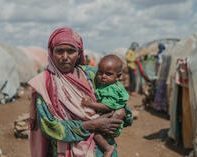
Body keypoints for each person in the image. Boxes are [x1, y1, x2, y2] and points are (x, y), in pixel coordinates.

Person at [28, 27, 132, 157]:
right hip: (66, 151)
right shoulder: (45, 84)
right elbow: (49, 126)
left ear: (78, 53)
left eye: (71, 51)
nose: (65, 57)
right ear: (51, 52)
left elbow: (119, 102)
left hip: (102, 150)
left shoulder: (92, 74)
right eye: (59, 51)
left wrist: (119, 112)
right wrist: (92, 124)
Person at [81, 55, 129, 157]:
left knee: (94, 131)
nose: (103, 76)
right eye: (100, 72)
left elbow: (108, 107)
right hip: (111, 119)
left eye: (108, 74)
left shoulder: (111, 89)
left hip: (111, 121)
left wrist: (90, 104)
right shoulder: (109, 85)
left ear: (118, 76)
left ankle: (107, 148)